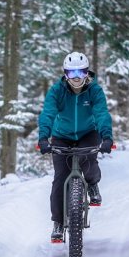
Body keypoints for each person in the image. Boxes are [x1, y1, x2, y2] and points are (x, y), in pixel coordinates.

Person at [37, 51, 113, 242]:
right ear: (65, 74)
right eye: (72, 73)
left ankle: (93, 184)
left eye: (81, 72)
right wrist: (44, 138)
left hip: (88, 133)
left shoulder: (94, 91)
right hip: (62, 136)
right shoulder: (57, 91)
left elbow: (101, 113)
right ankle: (58, 223)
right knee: (61, 178)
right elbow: (48, 114)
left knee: (88, 159)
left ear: (87, 73)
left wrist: (106, 137)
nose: (77, 78)